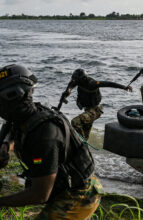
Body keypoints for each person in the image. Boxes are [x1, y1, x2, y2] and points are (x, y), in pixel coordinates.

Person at [0, 64, 103, 219]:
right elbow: (12, 130)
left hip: (79, 195)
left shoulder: (44, 135)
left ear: (12, 96)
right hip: (61, 185)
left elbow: (40, 195)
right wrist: (6, 145)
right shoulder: (25, 115)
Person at [60, 68, 132, 140]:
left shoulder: (92, 83)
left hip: (95, 110)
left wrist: (123, 87)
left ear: (83, 79)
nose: (75, 81)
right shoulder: (78, 81)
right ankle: (83, 144)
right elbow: (71, 84)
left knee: (75, 122)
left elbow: (108, 83)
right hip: (87, 111)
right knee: (85, 134)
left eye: (77, 80)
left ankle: (82, 141)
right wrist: (68, 90)